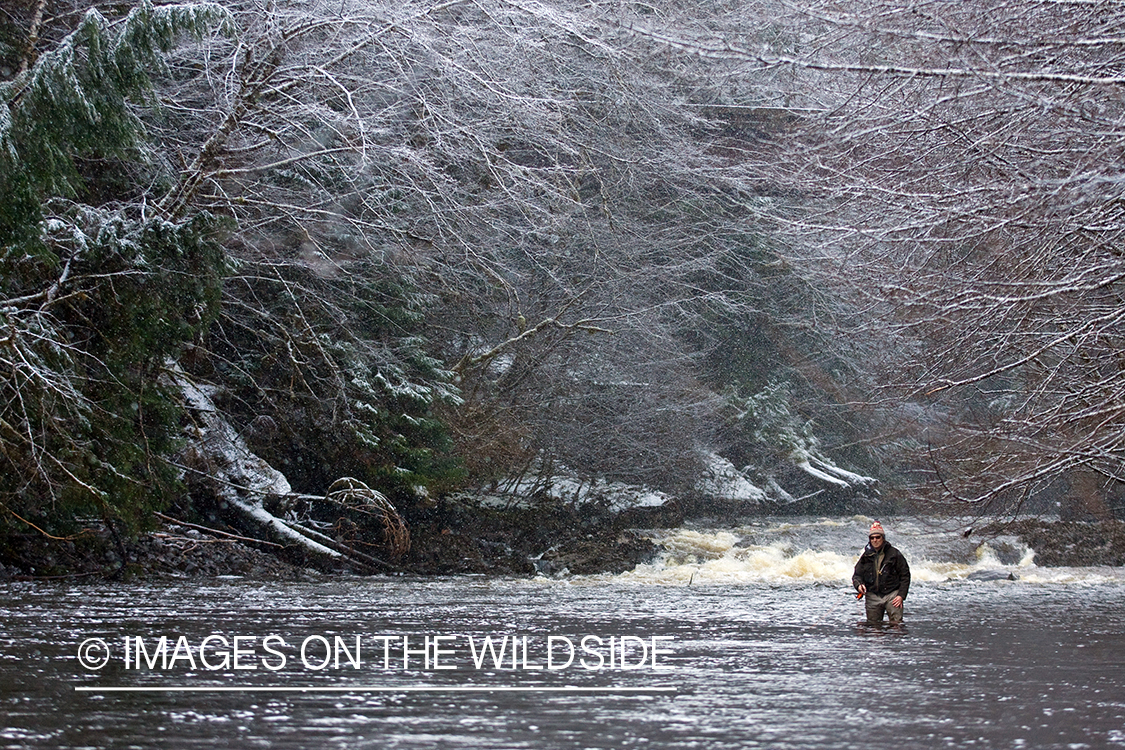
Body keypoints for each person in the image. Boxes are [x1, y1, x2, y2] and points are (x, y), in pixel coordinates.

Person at [852, 521, 910, 624]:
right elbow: (857, 575)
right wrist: (859, 585)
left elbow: (905, 575)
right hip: (872, 595)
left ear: (883, 538)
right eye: (872, 538)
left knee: (897, 626)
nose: (875, 540)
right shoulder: (866, 556)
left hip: (892, 595)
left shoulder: (894, 554)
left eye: (878, 537)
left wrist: (901, 595)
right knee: (873, 628)